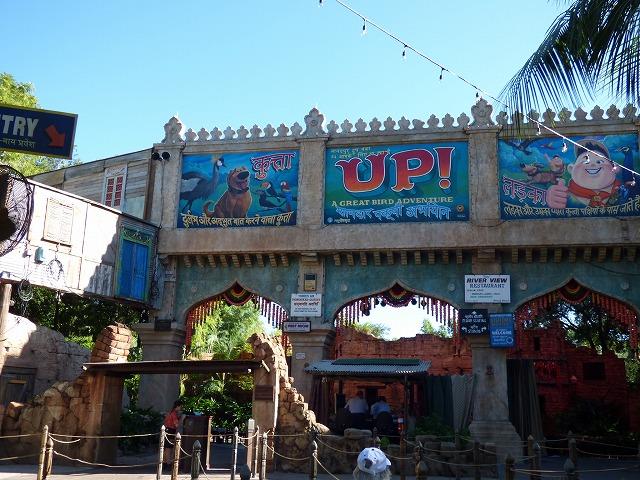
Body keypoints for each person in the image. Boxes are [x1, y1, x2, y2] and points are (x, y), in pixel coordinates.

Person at [163, 400, 184, 465]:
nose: (181, 408)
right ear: (177, 406)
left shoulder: (171, 412)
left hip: (168, 430)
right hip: (170, 430)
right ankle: (168, 463)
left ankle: (166, 462)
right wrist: (182, 418)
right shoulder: (173, 414)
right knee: (168, 447)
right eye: (181, 407)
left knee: (168, 447)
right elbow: (177, 425)